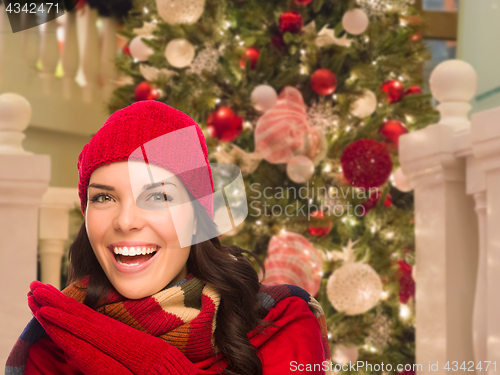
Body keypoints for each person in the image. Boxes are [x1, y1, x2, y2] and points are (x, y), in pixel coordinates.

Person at [5, 100, 332, 374]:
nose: (126, 221)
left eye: (158, 197)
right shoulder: (52, 342)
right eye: (104, 197)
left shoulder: (282, 324)